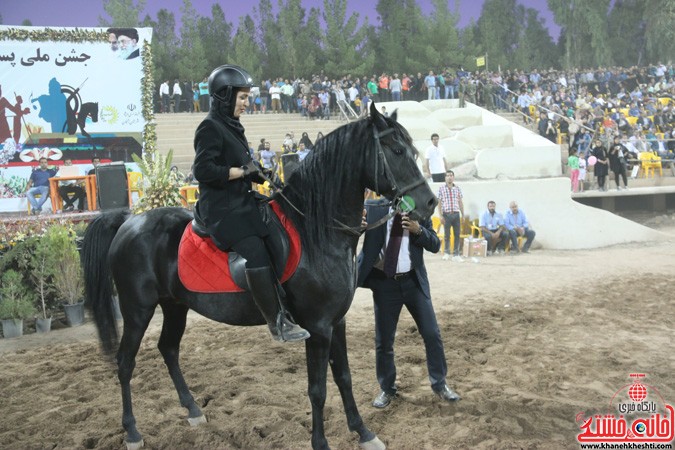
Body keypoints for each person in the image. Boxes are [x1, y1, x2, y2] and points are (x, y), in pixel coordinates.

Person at [192, 64, 309, 343]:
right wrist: (242, 172)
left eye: (247, 97)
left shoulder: (233, 126)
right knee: (255, 251)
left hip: (241, 202)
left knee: (274, 234)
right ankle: (276, 322)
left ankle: (283, 302)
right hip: (220, 209)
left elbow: (244, 166)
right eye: (242, 97)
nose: (247, 102)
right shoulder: (209, 127)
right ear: (224, 96)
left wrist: (262, 175)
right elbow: (203, 170)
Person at [357, 199, 461, 408]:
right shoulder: (372, 208)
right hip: (385, 284)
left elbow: (435, 244)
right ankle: (387, 388)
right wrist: (357, 228)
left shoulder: (418, 208)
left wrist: (418, 230)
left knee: (432, 334)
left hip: (413, 282)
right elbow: (348, 236)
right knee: (384, 341)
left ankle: (440, 384)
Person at [437, 170, 464, 262]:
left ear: (453, 177)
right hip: (446, 215)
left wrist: (463, 215)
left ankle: (456, 254)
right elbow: (439, 203)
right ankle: (447, 253)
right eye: (447, 175)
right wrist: (440, 215)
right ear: (445, 178)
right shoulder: (441, 189)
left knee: (457, 235)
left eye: (451, 175)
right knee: (447, 235)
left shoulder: (457, 188)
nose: (449, 177)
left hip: (456, 214)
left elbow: (460, 202)